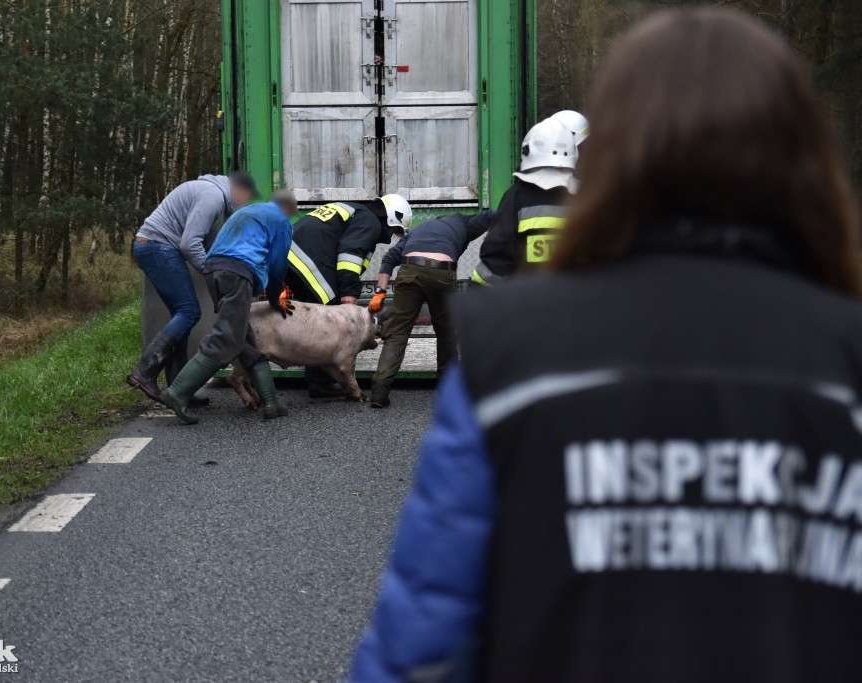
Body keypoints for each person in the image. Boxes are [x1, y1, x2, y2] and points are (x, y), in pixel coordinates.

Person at [352, 8, 862, 682]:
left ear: (614, 155)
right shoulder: (844, 353)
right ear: (803, 160)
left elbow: (422, 646)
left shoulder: (509, 352)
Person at [161, 191, 298, 425]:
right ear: (287, 207)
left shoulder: (248, 210)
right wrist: (275, 297)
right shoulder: (280, 221)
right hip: (237, 273)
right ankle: (177, 392)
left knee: (243, 338)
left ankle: (271, 403)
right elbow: (277, 265)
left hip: (213, 270)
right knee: (226, 339)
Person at [127, 171, 260, 405]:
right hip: (156, 246)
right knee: (189, 312)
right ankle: (145, 372)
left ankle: (179, 390)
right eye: (248, 198)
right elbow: (189, 244)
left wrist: (225, 270)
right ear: (239, 190)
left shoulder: (215, 200)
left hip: (156, 247)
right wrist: (211, 274)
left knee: (184, 315)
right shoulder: (213, 197)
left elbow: (211, 246)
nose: (246, 203)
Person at [285, 194, 413, 396]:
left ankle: (316, 375)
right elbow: (349, 255)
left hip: (290, 256)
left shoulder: (356, 210)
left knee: (314, 318)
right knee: (329, 318)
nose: (391, 234)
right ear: (390, 217)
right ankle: (322, 382)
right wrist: (348, 293)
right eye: (394, 229)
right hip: (308, 260)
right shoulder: (370, 221)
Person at [368, 211, 496, 408]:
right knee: (446, 332)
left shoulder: (418, 229)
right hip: (441, 271)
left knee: (397, 333)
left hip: (409, 269)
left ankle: (378, 392)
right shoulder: (463, 221)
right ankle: (449, 391)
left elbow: (389, 258)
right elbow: (491, 216)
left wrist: (380, 292)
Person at [470, 117, 578, 286]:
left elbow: (497, 259)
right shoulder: (588, 195)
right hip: (581, 303)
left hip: (528, 304)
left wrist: (476, 296)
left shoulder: (516, 197)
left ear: (527, 152)